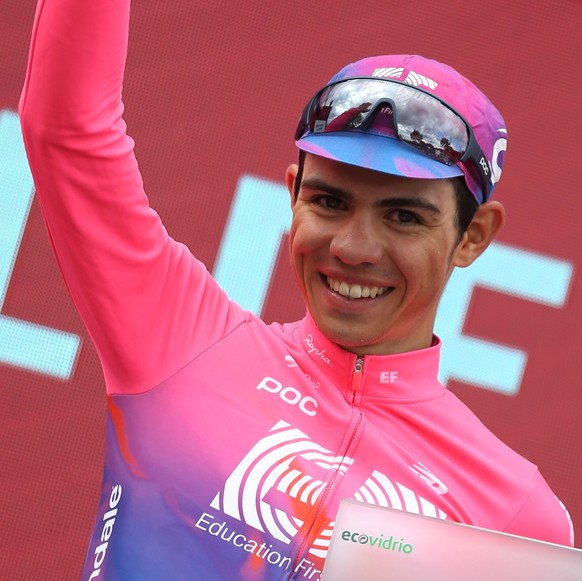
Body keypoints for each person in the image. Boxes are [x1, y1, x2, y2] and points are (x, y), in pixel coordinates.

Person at [19, 0, 573, 579]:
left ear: (472, 237)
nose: (354, 248)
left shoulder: (518, 515)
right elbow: (66, 127)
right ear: (293, 192)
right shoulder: (185, 341)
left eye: (404, 217)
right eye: (330, 202)